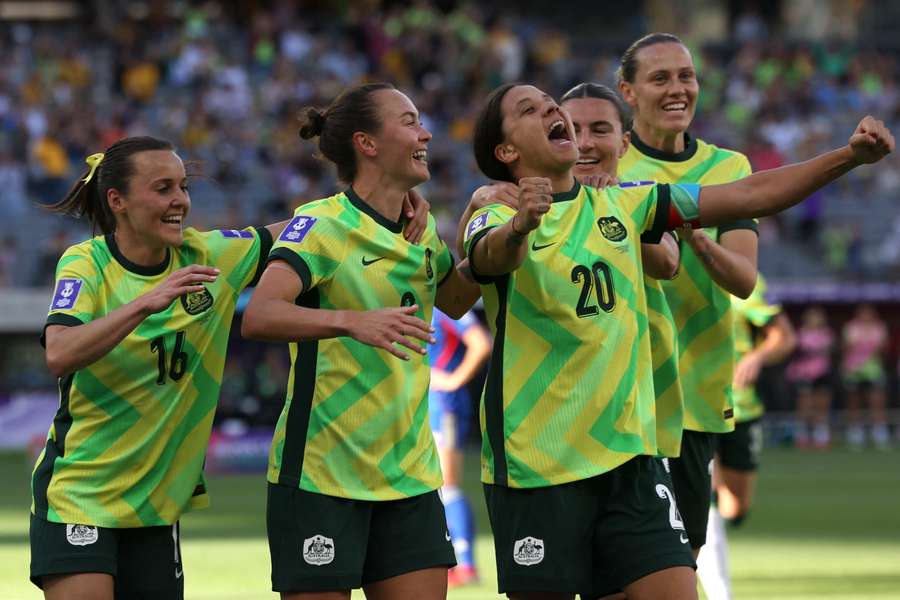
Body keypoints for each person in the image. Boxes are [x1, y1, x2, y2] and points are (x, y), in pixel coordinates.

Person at [463, 81, 891, 600]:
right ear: (506, 151)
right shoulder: (493, 209)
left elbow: (751, 194)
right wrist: (519, 228)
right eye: (530, 109)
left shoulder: (626, 204)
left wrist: (848, 156)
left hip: (631, 459)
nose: (553, 109)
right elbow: (485, 258)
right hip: (538, 464)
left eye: (551, 102)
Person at [240, 82, 482, 600]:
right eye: (410, 121)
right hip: (321, 476)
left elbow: (457, 299)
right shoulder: (321, 224)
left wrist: (496, 231)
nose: (426, 132)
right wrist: (352, 321)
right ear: (367, 144)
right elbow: (260, 315)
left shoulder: (419, 230)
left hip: (410, 474)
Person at [31, 136, 281, 599]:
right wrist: (147, 302)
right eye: (163, 188)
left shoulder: (210, 256)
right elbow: (59, 353)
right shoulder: (87, 263)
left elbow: (303, 229)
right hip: (79, 494)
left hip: (156, 506)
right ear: (117, 201)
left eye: (183, 187)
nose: (180, 202)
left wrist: (380, 203)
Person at [616, 32, 761, 558]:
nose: (678, 89)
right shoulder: (605, 168)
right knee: (615, 570)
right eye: (660, 78)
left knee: (682, 561)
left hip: (695, 395)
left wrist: (697, 236)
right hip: (617, 398)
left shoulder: (728, 170)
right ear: (627, 92)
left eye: (686, 76)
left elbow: (744, 280)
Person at [697, 274, 796, 600]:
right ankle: (720, 592)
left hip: (742, 408)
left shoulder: (743, 280)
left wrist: (757, 356)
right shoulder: (674, 268)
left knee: (735, 507)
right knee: (704, 500)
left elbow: (784, 337)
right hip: (696, 407)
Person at [428, 308, 491, 587]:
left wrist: (453, 380)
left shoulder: (443, 305)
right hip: (422, 405)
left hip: (444, 406)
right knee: (434, 487)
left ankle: (465, 563)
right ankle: (450, 561)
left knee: (448, 484)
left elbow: (480, 342)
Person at [841, 304, 891, 449]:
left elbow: (883, 349)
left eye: (869, 313)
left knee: (877, 401)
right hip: (854, 370)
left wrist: (868, 346)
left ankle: (879, 433)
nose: (866, 316)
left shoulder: (879, 327)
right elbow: (846, 347)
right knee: (854, 402)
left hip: (873, 370)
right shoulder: (851, 327)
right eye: (863, 313)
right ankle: (855, 433)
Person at [787, 306, 836, 448]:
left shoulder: (826, 333)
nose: (814, 319)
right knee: (804, 405)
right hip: (804, 374)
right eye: (811, 316)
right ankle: (803, 434)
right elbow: (796, 352)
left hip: (822, 373)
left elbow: (829, 349)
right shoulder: (800, 334)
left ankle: (821, 435)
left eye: (817, 316)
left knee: (822, 404)